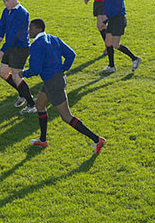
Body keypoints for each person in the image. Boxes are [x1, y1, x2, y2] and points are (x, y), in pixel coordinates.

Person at [21, 18, 106, 154]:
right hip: (53, 80)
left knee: (67, 117)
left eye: (31, 28)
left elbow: (35, 69)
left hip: (53, 83)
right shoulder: (53, 39)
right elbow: (71, 54)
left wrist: (22, 73)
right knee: (40, 105)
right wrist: (62, 68)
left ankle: (97, 139)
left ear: (38, 29)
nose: (28, 31)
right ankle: (42, 140)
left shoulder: (38, 44)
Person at [0, 0, 36, 114]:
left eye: (7, 0)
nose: (5, 3)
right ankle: (22, 93)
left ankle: (32, 104)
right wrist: (0, 35)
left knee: (16, 76)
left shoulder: (22, 13)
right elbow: (1, 24)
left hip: (20, 48)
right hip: (10, 46)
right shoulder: (6, 11)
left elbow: (14, 34)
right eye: (4, 1)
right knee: (3, 73)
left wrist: (3, 50)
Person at [100, 0, 142, 74]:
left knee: (115, 44)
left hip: (118, 19)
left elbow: (118, 8)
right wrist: (106, 21)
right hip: (112, 19)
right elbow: (107, 7)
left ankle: (134, 58)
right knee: (108, 42)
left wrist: (107, 18)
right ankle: (111, 66)